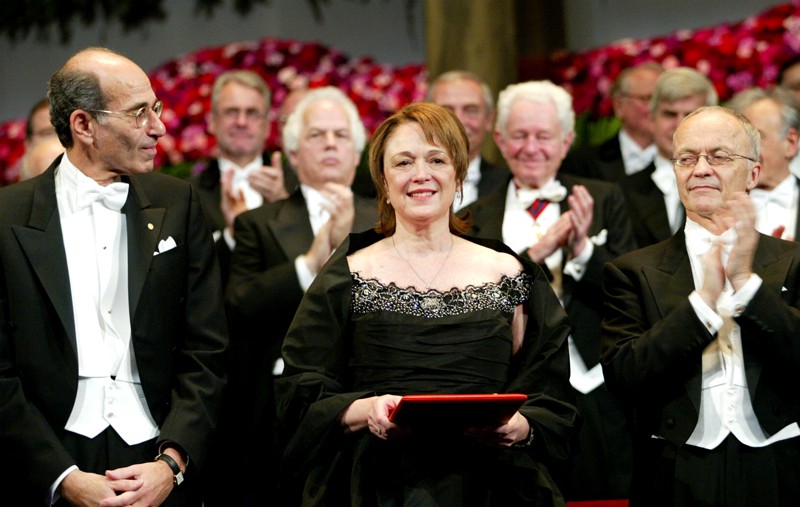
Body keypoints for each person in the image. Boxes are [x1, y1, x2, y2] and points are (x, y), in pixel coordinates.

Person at [274, 101, 578, 506]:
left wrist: (521, 426)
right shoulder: (344, 276)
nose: (421, 175)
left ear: (458, 174)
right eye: (403, 163)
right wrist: (366, 410)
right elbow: (299, 393)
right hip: (376, 488)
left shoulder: (511, 274)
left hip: (495, 488)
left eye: (436, 159)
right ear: (382, 180)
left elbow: (551, 394)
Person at [0, 47, 227, 506]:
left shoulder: (178, 205)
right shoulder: (6, 218)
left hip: (157, 456)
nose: (159, 127)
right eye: (139, 113)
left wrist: (172, 464)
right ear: (84, 126)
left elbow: (208, 350)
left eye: (156, 108)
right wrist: (60, 476)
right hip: (47, 462)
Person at [602, 105, 800, 506]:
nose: (701, 168)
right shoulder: (634, 270)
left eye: (720, 156)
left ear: (754, 173)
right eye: (687, 158)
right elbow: (625, 377)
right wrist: (703, 304)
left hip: (780, 464)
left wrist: (746, 286)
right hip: (674, 466)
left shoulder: (793, 261)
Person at [463, 80, 637, 501]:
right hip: (509, 387)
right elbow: (470, 304)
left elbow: (631, 294)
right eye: (520, 136)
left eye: (544, 136)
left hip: (593, 385)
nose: (531, 147)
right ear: (500, 140)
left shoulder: (604, 197)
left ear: (567, 141)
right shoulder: (472, 216)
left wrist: (580, 253)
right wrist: (533, 255)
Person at [225, 85, 379, 502]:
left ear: (357, 151)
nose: (330, 143)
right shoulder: (258, 223)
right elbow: (238, 306)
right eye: (316, 135)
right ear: (293, 153)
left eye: (341, 135)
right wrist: (308, 264)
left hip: (373, 401)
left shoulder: (389, 217)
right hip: (281, 410)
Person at [191, 70, 299, 266]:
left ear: (267, 126)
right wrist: (231, 235)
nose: (241, 122)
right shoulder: (188, 194)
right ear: (213, 122)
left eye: (252, 113)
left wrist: (284, 206)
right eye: (231, 112)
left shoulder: (297, 186)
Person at [618, 67, 717, 248]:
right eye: (669, 114)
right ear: (652, 119)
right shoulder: (622, 193)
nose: (679, 125)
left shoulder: (731, 186)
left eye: (690, 115)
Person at [561, 62, 664, 181]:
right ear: (619, 105)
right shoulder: (581, 164)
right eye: (648, 98)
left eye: (664, 100)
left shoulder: (684, 160)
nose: (658, 108)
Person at [427, 70, 508, 209]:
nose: (459, 120)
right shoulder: (403, 179)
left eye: (471, 110)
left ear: (489, 119)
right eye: (446, 110)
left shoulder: (507, 184)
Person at [729, 86, 800, 241]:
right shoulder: (716, 205)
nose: (744, 151)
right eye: (738, 139)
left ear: (790, 142)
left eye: (756, 137)